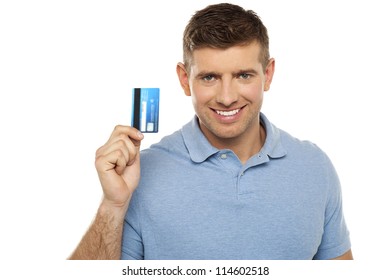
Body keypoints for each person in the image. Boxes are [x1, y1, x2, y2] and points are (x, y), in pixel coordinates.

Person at [69, 3, 352, 260]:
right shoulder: (141, 172)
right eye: (209, 77)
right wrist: (113, 204)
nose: (227, 97)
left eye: (243, 75)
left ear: (267, 75)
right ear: (184, 80)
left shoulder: (315, 167)